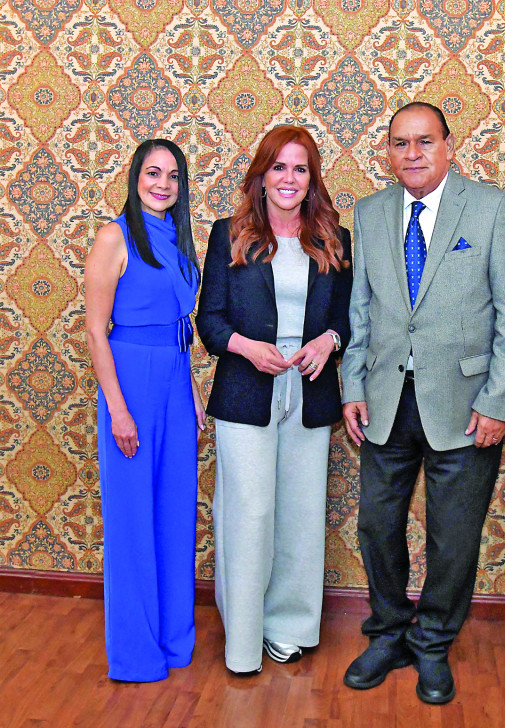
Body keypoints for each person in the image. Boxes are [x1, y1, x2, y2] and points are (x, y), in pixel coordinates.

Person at [340, 102, 505, 704]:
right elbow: (360, 315)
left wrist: (499, 403)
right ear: (388, 152)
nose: (413, 153)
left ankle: (433, 642)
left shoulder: (492, 207)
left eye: (425, 141)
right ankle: (389, 632)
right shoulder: (369, 214)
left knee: (454, 536)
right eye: (400, 143)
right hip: (385, 402)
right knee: (377, 527)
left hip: (467, 404)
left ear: (449, 145)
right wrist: (351, 387)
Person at [196, 125, 352, 674]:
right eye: (279, 167)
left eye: (300, 168)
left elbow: (344, 321)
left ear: (312, 180)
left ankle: (288, 627)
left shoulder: (334, 238)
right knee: (250, 512)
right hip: (246, 388)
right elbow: (209, 322)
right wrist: (247, 348)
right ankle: (243, 638)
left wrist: (327, 343)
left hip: (308, 392)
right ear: (261, 176)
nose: (289, 178)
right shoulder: (229, 234)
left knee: (300, 513)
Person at [85, 139, 204, 682]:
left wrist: (192, 387)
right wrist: (117, 409)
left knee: (175, 515)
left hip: (176, 382)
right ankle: (135, 655)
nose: (163, 183)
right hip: (130, 381)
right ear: (135, 177)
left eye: (173, 176)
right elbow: (95, 329)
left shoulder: (180, 242)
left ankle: (174, 642)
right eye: (153, 173)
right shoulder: (115, 236)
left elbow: (183, 325)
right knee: (133, 520)